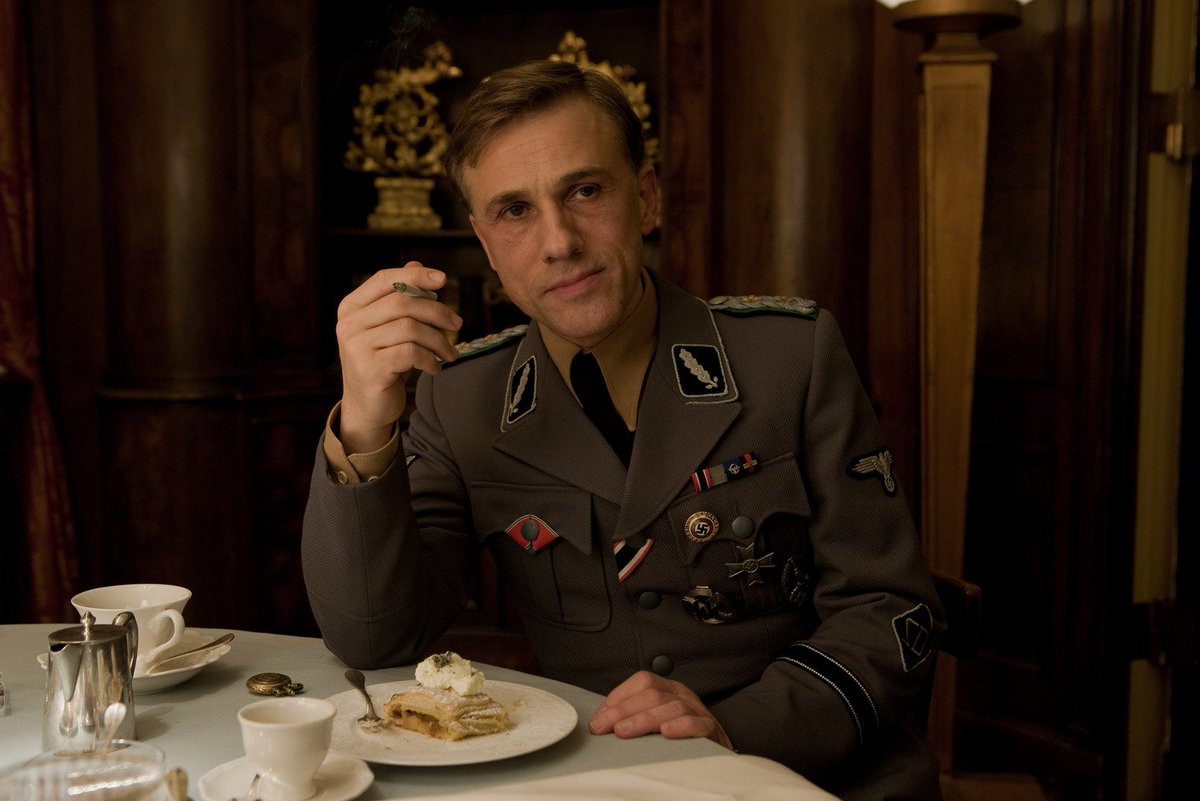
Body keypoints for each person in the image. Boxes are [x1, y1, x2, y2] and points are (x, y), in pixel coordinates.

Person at [302, 58, 945, 800]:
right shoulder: (462, 396)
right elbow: (375, 638)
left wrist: (735, 733)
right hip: (600, 782)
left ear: (644, 196)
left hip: (810, 774)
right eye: (515, 211)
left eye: (585, 191)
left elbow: (890, 611)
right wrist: (364, 420)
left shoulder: (790, 357)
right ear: (485, 242)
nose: (559, 242)